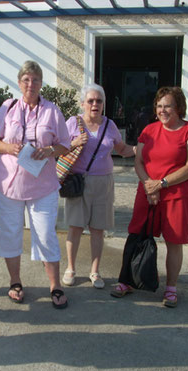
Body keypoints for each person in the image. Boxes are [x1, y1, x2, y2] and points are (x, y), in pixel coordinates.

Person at [111, 86, 188, 307]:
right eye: (159, 106)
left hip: (178, 195)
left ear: (179, 108)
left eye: (168, 106)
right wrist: (148, 186)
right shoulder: (149, 131)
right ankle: (128, 281)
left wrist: (161, 184)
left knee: (174, 241)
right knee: (136, 235)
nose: (163, 110)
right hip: (147, 191)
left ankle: (171, 289)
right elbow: (139, 162)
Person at [0, 60, 70, 309]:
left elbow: (65, 145)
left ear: (41, 83)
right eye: (26, 79)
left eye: (35, 79)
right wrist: (9, 147)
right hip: (8, 183)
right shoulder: (8, 106)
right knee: (10, 233)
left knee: (46, 234)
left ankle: (55, 286)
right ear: (19, 82)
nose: (30, 84)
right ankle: (15, 282)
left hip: (42, 185)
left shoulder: (52, 110)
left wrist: (48, 150)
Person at [62, 84, 135, 289]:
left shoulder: (110, 125)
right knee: (75, 227)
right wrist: (75, 143)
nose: (95, 104)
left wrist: (139, 149)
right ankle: (70, 268)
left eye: (99, 101)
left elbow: (121, 149)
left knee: (97, 229)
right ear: (83, 103)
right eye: (91, 100)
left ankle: (95, 271)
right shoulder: (72, 123)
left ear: (103, 104)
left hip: (104, 182)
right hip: (78, 181)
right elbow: (58, 149)